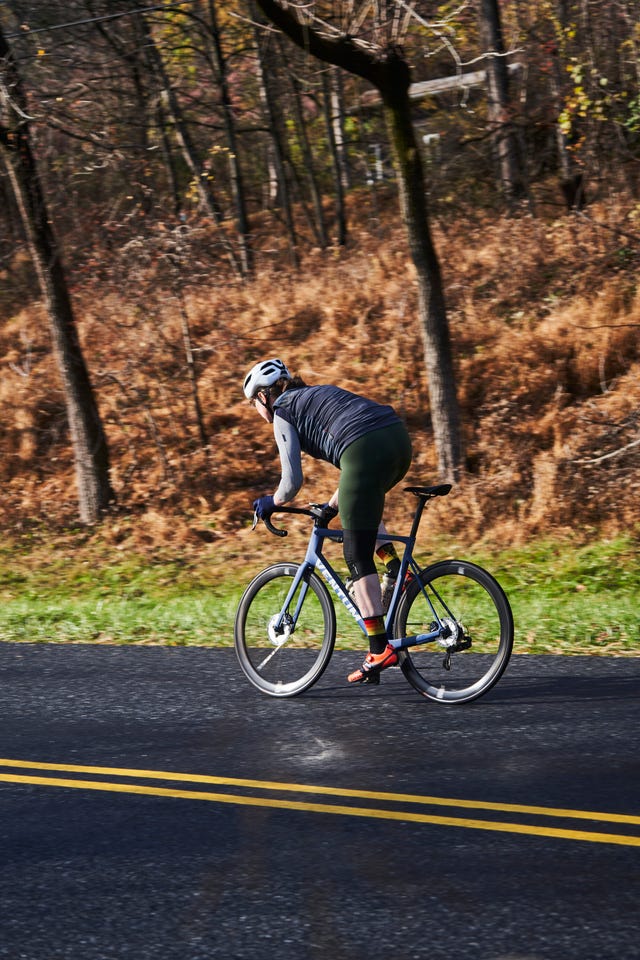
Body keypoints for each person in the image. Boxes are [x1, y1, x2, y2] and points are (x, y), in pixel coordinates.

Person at [243, 357, 412, 685]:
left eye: (253, 403)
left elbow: (291, 483)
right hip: (397, 440)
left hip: (366, 449)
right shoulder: (315, 394)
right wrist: (332, 506)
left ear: (265, 396)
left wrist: (270, 502)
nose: (257, 410)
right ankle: (396, 570)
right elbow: (354, 470)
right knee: (360, 511)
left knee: (355, 555)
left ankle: (379, 648)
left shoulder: (283, 411)